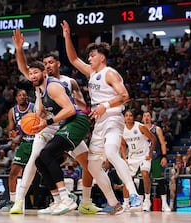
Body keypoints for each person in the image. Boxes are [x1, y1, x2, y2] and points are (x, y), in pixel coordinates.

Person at [10, 29, 103, 215]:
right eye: (44, 63)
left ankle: (85, 201)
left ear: (54, 66)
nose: (47, 65)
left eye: (49, 63)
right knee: (36, 160)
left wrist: (84, 115)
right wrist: (19, 49)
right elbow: (23, 68)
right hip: (46, 126)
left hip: (67, 123)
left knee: (88, 163)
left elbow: (78, 106)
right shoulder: (39, 84)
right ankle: (20, 202)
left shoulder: (65, 82)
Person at [61, 20, 142, 211]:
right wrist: (66, 36)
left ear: (102, 58)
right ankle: (114, 203)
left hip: (113, 117)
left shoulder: (109, 73)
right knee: (93, 166)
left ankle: (134, 195)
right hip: (99, 122)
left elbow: (124, 96)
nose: (89, 59)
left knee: (112, 152)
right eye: (89, 56)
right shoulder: (92, 73)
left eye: (92, 56)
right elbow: (73, 59)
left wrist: (105, 105)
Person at [27, 61, 91, 215]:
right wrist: (33, 124)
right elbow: (40, 114)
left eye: (36, 72)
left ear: (44, 73)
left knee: (46, 153)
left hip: (78, 121)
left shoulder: (52, 86)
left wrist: (47, 122)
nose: (32, 76)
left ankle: (66, 198)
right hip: (67, 125)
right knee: (39, 161)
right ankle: (57, 201)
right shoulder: (40, 92)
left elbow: (69, 109)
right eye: (30, 73)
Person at [1, 89, 35, 210]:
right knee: (13, 173)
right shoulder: (12, 111)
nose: (22, 97)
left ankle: (62, 197)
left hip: (37, 141)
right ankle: (12, 201)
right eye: (20, 95)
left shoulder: (34, 107)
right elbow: (11, 130)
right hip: (25, 143)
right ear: (16, 98)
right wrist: (12, 133)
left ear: (27, 97)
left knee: (46, 171)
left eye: (24, 95)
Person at [120, 110, 156, 212]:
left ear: (134, 117)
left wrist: (149, 153)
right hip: (132, 157)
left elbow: (153, 139)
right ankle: (126, 203)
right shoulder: (122, 130)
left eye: (130, 115)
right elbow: (122, 145)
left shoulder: (140, 127)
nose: (128, 117)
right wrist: (124, 158)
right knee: (127, 179)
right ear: (124, 118)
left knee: (145, 174)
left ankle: (147, 200)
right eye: (126, 116)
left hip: (144, 155)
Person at [142, 111, 171, 212]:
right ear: (142, 118)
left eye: (148, 116)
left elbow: (163, 143)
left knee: (160, 180)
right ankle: (145, 202)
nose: (146, 118)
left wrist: (164, 156)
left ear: (151, 118)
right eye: (144, 116)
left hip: (156, 156)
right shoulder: (140, 129)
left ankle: (164, 204)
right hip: (143, 157)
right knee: (144, 180)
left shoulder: (156, 129)